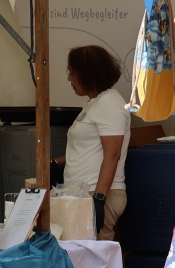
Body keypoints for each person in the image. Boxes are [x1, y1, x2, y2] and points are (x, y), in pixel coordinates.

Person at [54, 46, 130, 240]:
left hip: (97, 192)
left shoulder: (109, 103)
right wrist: (56, 163)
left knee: (94, 254)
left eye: (72, 73)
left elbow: (112, 154)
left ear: (88, 74)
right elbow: (89, 149)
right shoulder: (94, 104)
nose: (69, 79)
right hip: (82, 193)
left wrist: (99, 198)